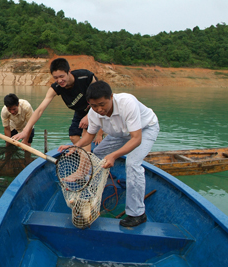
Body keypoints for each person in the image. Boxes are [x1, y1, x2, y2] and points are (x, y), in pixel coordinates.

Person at [59, 81, 160, 227]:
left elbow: (136, 139)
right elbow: (89, 137)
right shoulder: (93, 113)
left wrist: (114, 156)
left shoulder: (127, 103)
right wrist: (75, 146)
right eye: (94, 106)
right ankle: (91, 191)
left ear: (111, 97)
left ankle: (137, 214)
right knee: (98, 154)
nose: (99, 109)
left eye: (102, 104)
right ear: (89, 103)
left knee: (132, 164)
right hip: (120, 133)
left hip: (144, 130)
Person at [12, 58, 103, 150]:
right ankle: (86, 156)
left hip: (96, 107)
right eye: (55, 78)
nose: (59, 80)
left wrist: (90, 117)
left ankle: (86, 161)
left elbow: (101, 97)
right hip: (80, 111)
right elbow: (40, 110)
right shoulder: (56, 88)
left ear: (69, 72)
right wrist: (25, 131)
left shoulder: (86, 77)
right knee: (73, 136)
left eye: (62, 76)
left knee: (85, 133)